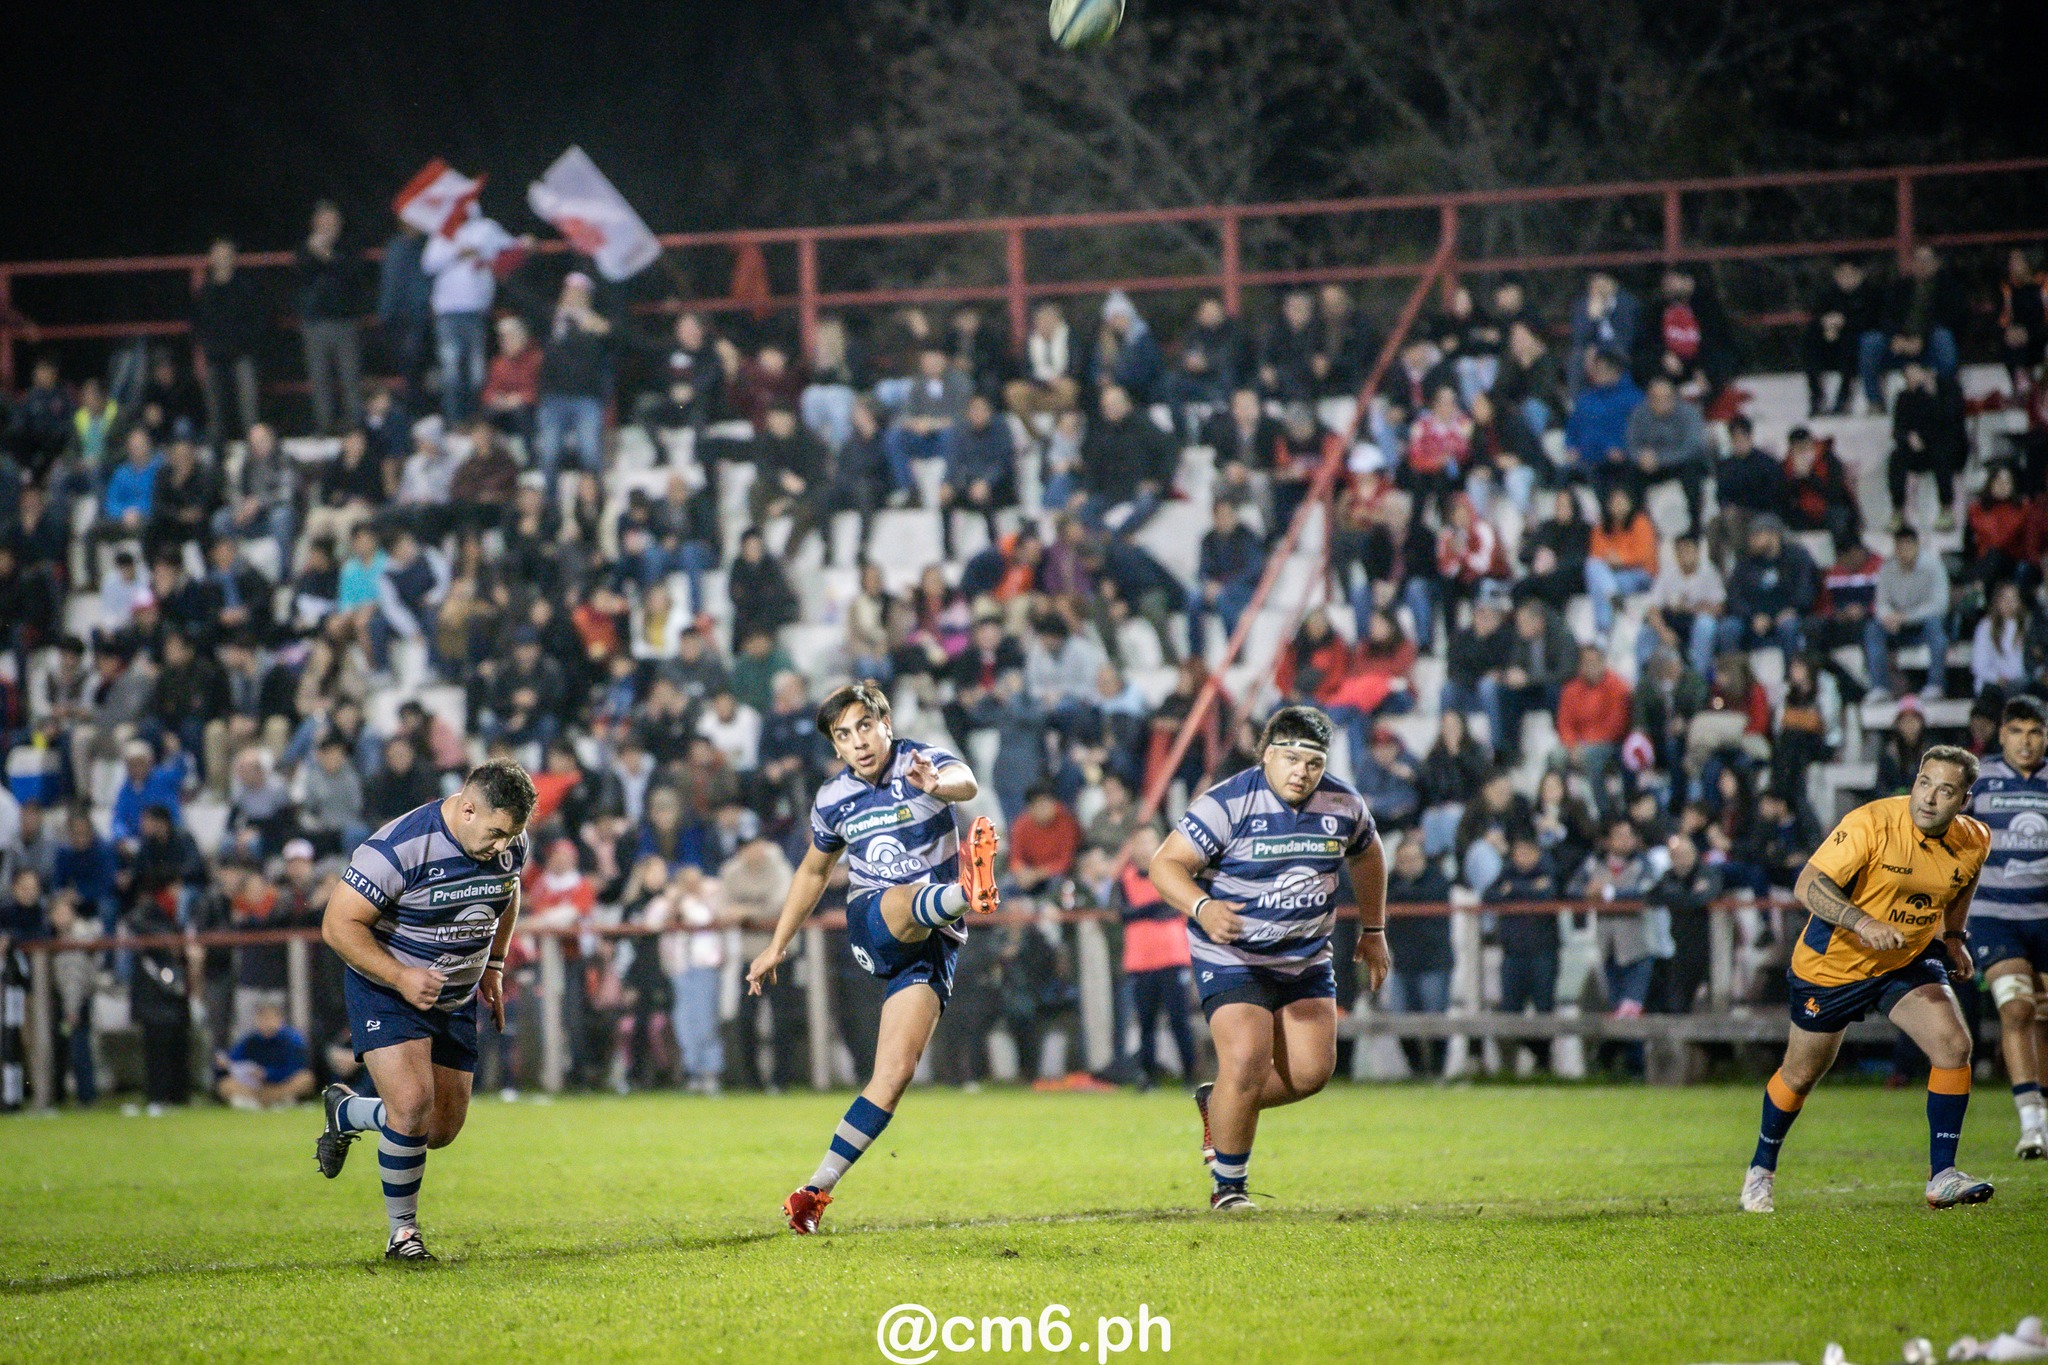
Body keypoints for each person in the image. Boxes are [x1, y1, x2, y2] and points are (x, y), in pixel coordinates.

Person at [746, 682, 1001, 1234]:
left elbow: (967, 781)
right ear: (835, 747)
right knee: (905, 897)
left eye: (865, 726)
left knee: (893, 1076)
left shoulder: (919, 761)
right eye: (844, 735)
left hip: (933, 942)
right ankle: (966, 890)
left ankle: (812, 1192)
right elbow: (814, 872)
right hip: (873, 920)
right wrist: (776, 945)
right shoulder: (832, 799)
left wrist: (941, 784)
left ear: (886, 723)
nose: (858, 741)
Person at [1148, 705, 1389, 1211]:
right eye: (1291, 758)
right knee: (1248, 1060)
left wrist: (1374, 929)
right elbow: (1165, 864)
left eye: (1314, 763)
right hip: (1233, 953)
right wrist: (1203, 905)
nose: (1302, 771)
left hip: (1305, 957)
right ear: (1266, 755)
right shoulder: (1227, 802)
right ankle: (1229, 1190)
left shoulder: (1343, 804)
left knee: (1310, 1074)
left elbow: (1368, 854)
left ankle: (1221, 1101)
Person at [1740, 745, 1993, 1213]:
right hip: (1831, 967)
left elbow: (1962, 883)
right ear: (1914, 781)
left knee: (1953, 1045)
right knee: (1800, 1075)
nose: (1930, 798)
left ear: (1964, 800)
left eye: (1946, 790)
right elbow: (1807, 884)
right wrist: (1861, 922)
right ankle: (1760, 1170)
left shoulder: (1975, 838)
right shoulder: (1871, 823)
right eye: (1925, 783)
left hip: (1904, 959)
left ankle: (1942, 1176)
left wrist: (1954, 936)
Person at [311, 759, 537, 1261]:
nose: (504, 845)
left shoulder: (510, 841)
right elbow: (337, 925)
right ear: (468, 807)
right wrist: (399, 976)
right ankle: (403, 1236)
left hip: (452, 996)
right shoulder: (397, 848)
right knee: (412, 1105)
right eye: (497, 833)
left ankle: (346, 1110)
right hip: (387, 988)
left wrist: (495, 966)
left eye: (512, 836)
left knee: (439, 1129)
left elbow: (509, 890)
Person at [1962, 696, 2048, 1160]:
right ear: (2001, 735)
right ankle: (2030, 1125)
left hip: (2046, 917)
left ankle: (2045, 1118)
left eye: (2035, 731)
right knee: (2016, 1009)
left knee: (2045, 1018)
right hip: (1995, 918)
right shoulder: (1980, 779)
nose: (2027, 741)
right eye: (2017, 730)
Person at [1865, 526, 1950, 702]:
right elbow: (1881, 602)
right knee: (1873, 629)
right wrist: (1888, 617)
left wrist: (1907, 617)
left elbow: (1940, 605)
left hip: (1923, 624)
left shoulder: (1933, 565)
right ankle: (1880, 687)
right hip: (1896, 627)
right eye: (1900, 547)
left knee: (1936, 628)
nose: (1904, 552)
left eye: (1908, 546)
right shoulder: (1887, 568)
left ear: (1917, 545)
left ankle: (1935, 684)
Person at [216, 1001, 315, 1109]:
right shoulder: (250, 1040)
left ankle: (269, 1100)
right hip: (256, 1087)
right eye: (262, 1018)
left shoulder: (291, 1040)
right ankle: (264, 1101)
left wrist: (266, 1073)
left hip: (281, 1084)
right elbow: (233, 1061)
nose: (266, 1023)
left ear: (280, 1019)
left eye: (270, 1018)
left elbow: (295, 1068)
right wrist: (225, 1063)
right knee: (225, 1085)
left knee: (305, 1079)